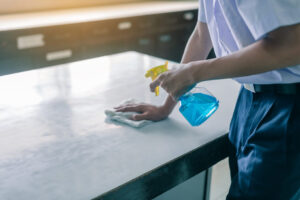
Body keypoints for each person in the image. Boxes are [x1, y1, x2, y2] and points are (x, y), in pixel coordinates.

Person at [115, 0, 300, 199]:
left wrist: (196, 72)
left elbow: (293, 46)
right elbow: (202, 35)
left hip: (289, 104)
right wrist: (167, 105)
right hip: (249, 98)